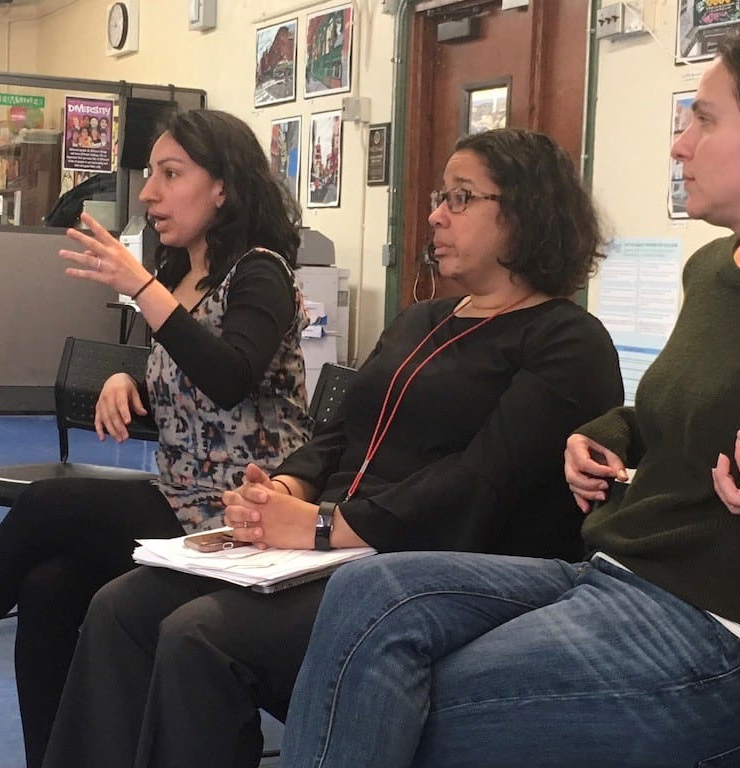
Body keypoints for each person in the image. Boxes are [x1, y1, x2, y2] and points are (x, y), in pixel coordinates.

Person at [278, 18, 740, 768]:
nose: (679, 143)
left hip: (736, 640)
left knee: (397, 708)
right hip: (616, 578)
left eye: (704, 119)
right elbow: (678, 408)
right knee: (367, 597)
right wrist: (607, 433)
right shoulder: (712, 269)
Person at [39, 127, 625, 768]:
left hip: (431, 563)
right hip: (337, 545)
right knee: (121, 607)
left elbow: (481, 481)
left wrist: (324, 526)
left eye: (461, 199)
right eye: (440, 196)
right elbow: (339, 432)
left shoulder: (567, 341)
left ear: (525, 215)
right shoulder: (420, 320)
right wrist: (285, 490)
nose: (435, 214)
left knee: (198, 636)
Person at [0, 109, 313, 768]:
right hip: (184, 498)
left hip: (246, 513)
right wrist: (127, 383)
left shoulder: (260, 272)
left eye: (171, 175)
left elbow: (230, 377)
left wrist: (140, 290)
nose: (149, 193)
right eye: (151, 175)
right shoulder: (179, 274)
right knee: (49, 586)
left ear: (223, 187)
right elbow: (196, 402)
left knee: (48, 506)